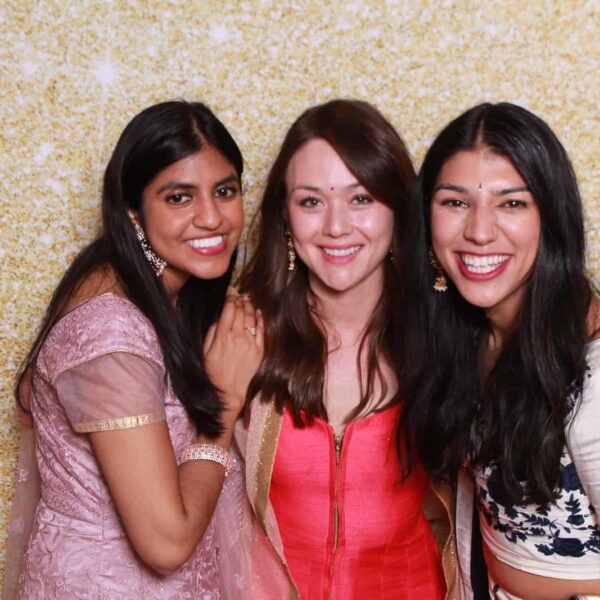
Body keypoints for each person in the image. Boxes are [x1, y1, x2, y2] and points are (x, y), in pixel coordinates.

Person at [3, 100, 262, 599]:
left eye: (225, 191)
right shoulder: (110, 333)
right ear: (133, 213)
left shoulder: (154, 292)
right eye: (179, 197)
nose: (212, 217)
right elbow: (165, 543)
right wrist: (224, 406)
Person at [238, 99, 447, 599]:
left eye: (361, 199)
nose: (336, 226)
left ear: (399, 211)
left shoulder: (445, 335)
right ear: (285, 216)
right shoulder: (241, 332)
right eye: (311, 202)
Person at [402, 102, 600, 600]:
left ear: (550, 218)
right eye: (455, 202)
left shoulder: (591, 371)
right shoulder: (467, 336)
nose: (480, 231)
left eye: (511, 204)